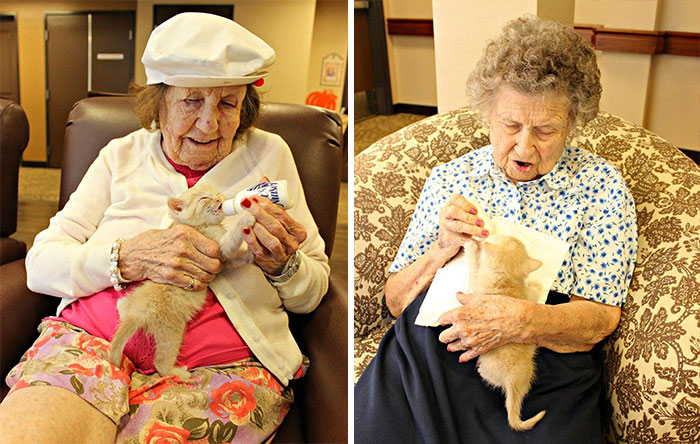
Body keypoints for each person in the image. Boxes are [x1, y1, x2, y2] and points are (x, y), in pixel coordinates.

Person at [0, 12, 329, 444]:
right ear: (158, 103)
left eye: (227, 104)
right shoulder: (120, 155)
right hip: (92, 342)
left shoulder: (270, 155)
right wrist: (126, 258)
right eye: (191, 101)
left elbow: (312, 291)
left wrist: (284, 265)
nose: (209, 123)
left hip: (218, 367)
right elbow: (42, 264)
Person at [354, 15, 637, 444]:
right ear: (488, 114)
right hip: (433, 353)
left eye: (545, 130)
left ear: (572, 123)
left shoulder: (602, 187)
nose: (524, 146)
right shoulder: (451, 178)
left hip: (538, 362)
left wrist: (520, 320)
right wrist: (441, 249)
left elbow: (600, 318)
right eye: (510, 125)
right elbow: (395, 302)